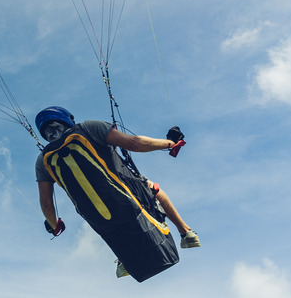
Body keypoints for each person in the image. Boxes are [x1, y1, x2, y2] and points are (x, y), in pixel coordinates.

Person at [34, 106, 199, 281]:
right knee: (152, 188)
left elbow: (46, 204)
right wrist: (171, 143)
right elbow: (134, 143)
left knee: (110, 225)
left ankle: (123, 260)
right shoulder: (88, 128)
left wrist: (54, 225)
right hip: (127, 198)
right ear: (66, 119)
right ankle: (186, 233)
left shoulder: (42, 161)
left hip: (97, 217)